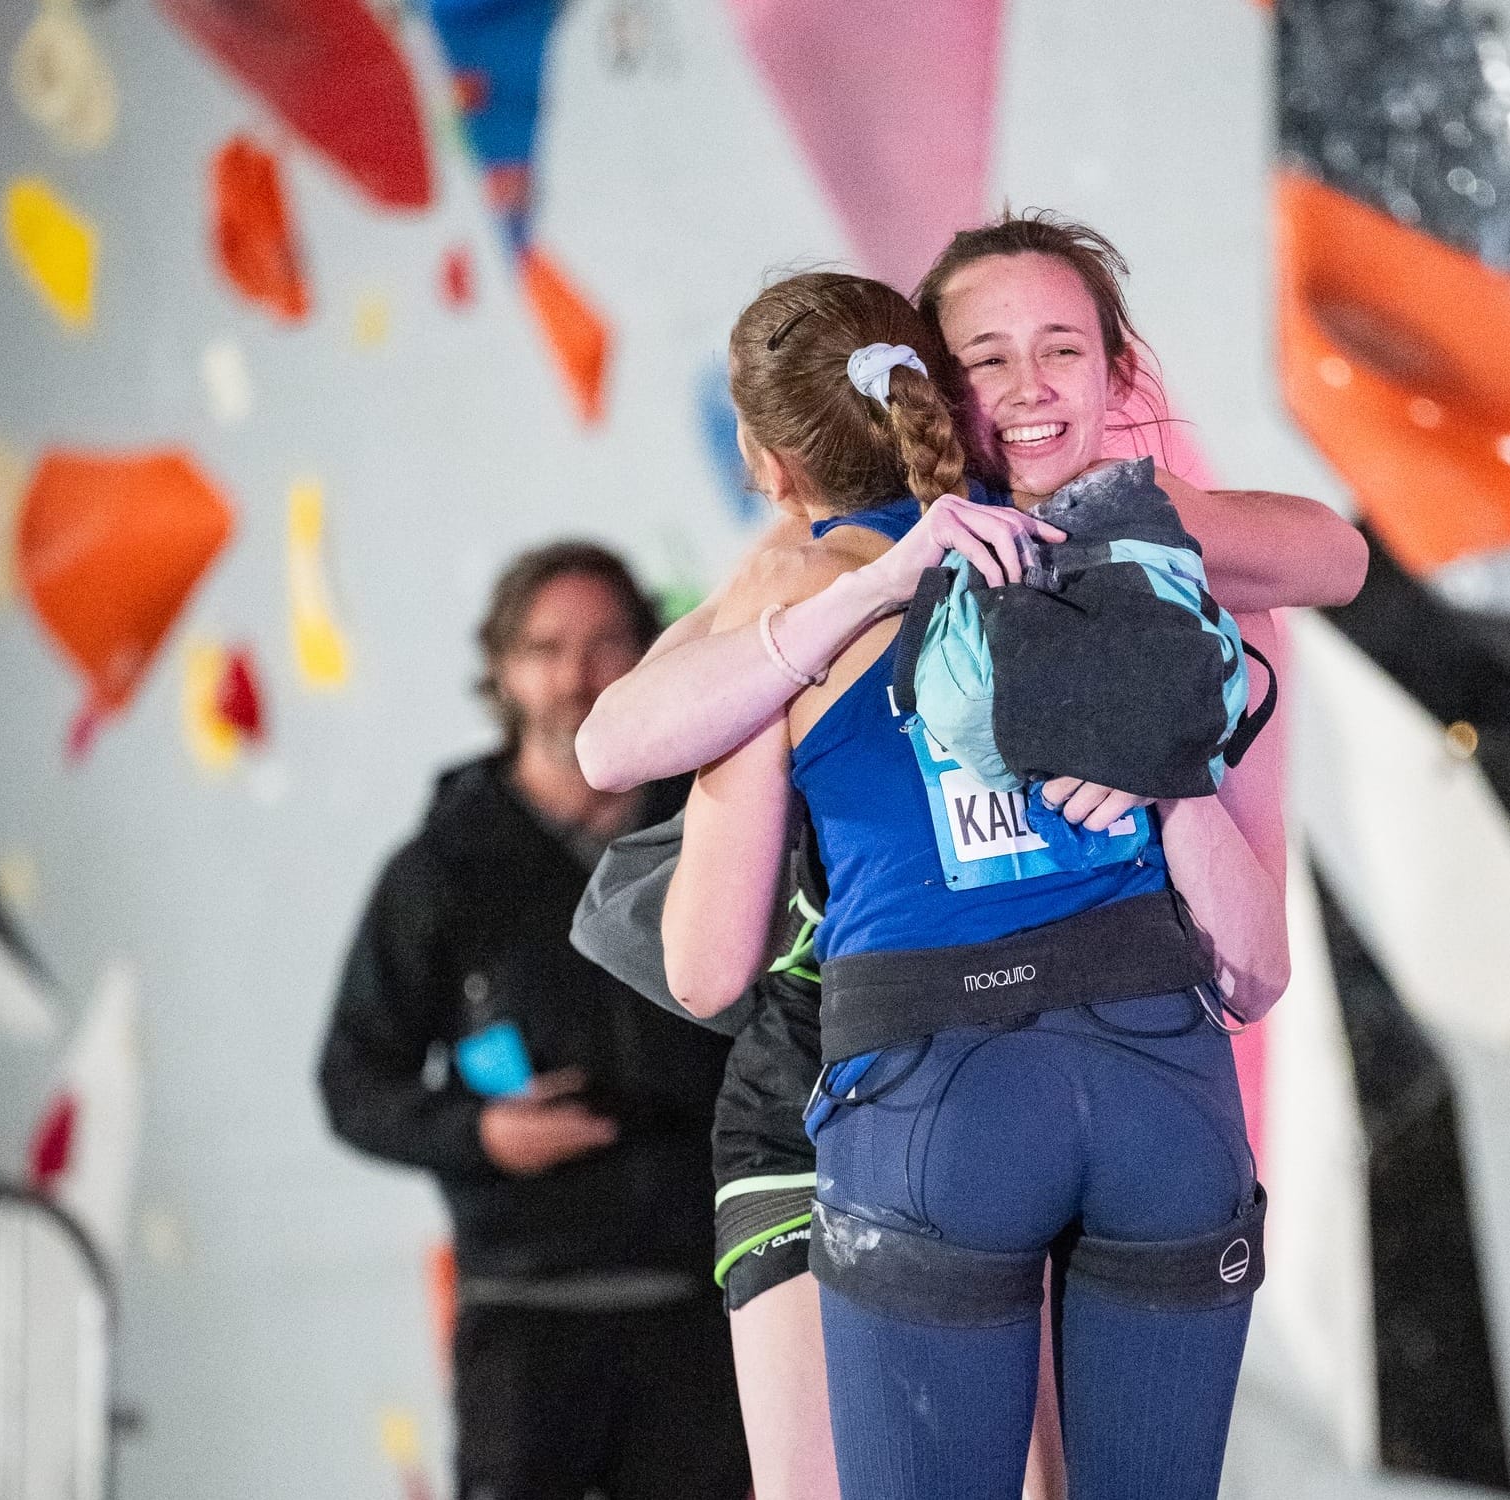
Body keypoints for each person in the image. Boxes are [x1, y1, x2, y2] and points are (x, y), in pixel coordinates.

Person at [575, 213, 1366, 1500]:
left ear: (1116, 372)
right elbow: (622, 740)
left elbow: (1333, 555)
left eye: (1062, 349)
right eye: (985, 359)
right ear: (922, 388)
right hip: (871, 1065)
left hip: (941, 1079)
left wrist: (1139, 722)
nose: (1028, 387)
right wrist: (862, 592)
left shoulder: (1129, 547)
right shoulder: (802, 577)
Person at [317, 542, 751, 1500]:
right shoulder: (442, 869)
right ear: (502, 672)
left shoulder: (723, 823)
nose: (576, 676)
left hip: (710, 1296)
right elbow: (352, 1080)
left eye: (605, 644)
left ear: (650, 651)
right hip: (524, 1312)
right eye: (545, 649)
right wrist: (480, 1135)